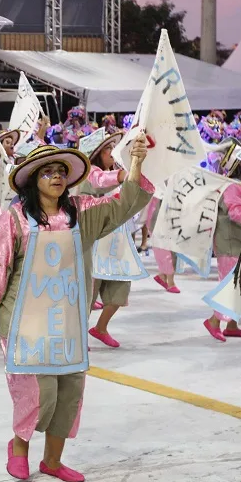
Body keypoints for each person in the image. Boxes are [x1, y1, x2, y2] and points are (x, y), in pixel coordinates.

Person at [0, 135, 153, 482]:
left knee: (69, 394)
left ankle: (52, 462)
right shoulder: (16, 219)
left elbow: (122, 203)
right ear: (32, 180)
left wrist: (137, 164)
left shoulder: (80, 212)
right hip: (24, 324)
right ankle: (19, 447)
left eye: (60, 171)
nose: (56, 177)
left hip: (67, 323)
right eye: (47, 172)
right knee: (39, 394)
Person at [77, 131, 138, 348]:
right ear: (96, 154)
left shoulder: (114, 171)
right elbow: (100, 181)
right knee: (88, 294)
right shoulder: (90, 173)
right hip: (94, 241)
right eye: (107, 148)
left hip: (116, 240)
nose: (113, 152)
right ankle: (78, 335)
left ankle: (101, 327)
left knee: (120, 288)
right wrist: (125, 175)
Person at [204, 143, 241, 341]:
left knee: (240, 285)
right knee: (230, 286)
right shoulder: (233, 187)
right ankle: (214, 321)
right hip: (229, 243)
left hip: (239, 242)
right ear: (240, 164)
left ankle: (231, 325)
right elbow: (237, 215)